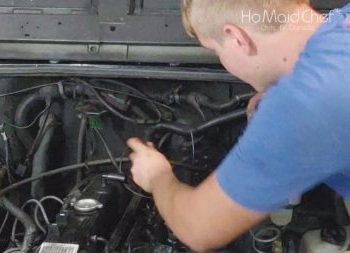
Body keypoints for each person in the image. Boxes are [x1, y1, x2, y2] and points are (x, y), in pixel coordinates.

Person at [127, 0, 350, 251]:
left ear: (236, 38)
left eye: (214, 50)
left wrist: (157, 177)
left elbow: (197, 227)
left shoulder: (305, 103)